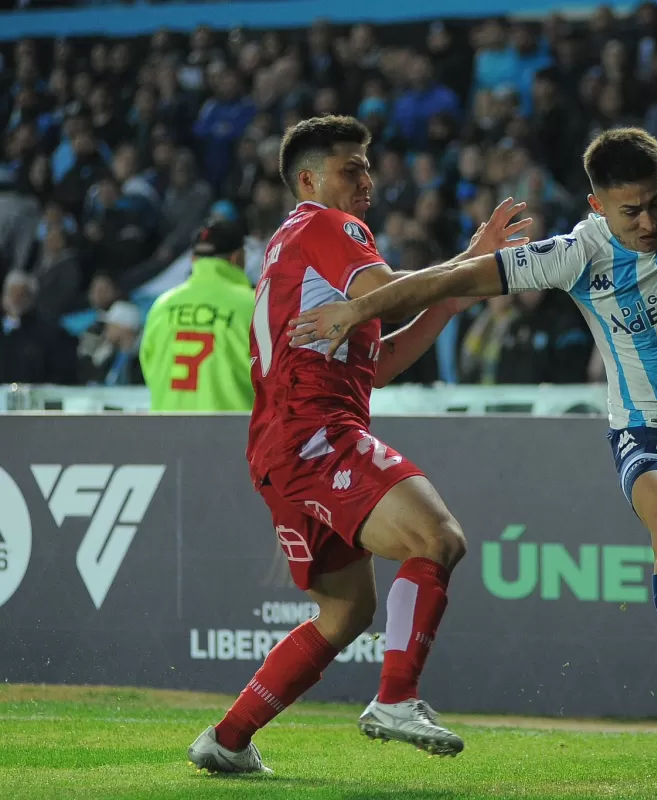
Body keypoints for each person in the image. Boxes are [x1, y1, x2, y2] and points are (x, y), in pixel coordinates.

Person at [287, 72, 657, 763]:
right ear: (599, 205)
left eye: (654, 203)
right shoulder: (577, 254)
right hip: (648, 430)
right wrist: (363, 306)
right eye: (631, 212)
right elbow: (455, 279)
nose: (650, 222)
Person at [186, 115, 531, 774]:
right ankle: (396, 698)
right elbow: (383, 298)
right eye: (352, 167)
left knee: (346, 611)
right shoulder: (328, 226)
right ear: (311, 179)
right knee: (440, 539)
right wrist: (475, 266)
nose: (367, 179)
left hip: (282, 446)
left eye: (369, 166)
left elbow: (380, 359)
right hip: (316, 435)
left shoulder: (296, 246)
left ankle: (227, 739)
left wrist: (456, 289)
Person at [139, 218, 256, 411]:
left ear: (193, 259)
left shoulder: (162, 305)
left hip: (167, 431)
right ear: (237, 257)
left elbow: (149, 367)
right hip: (234, 430)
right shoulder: (253, 305)